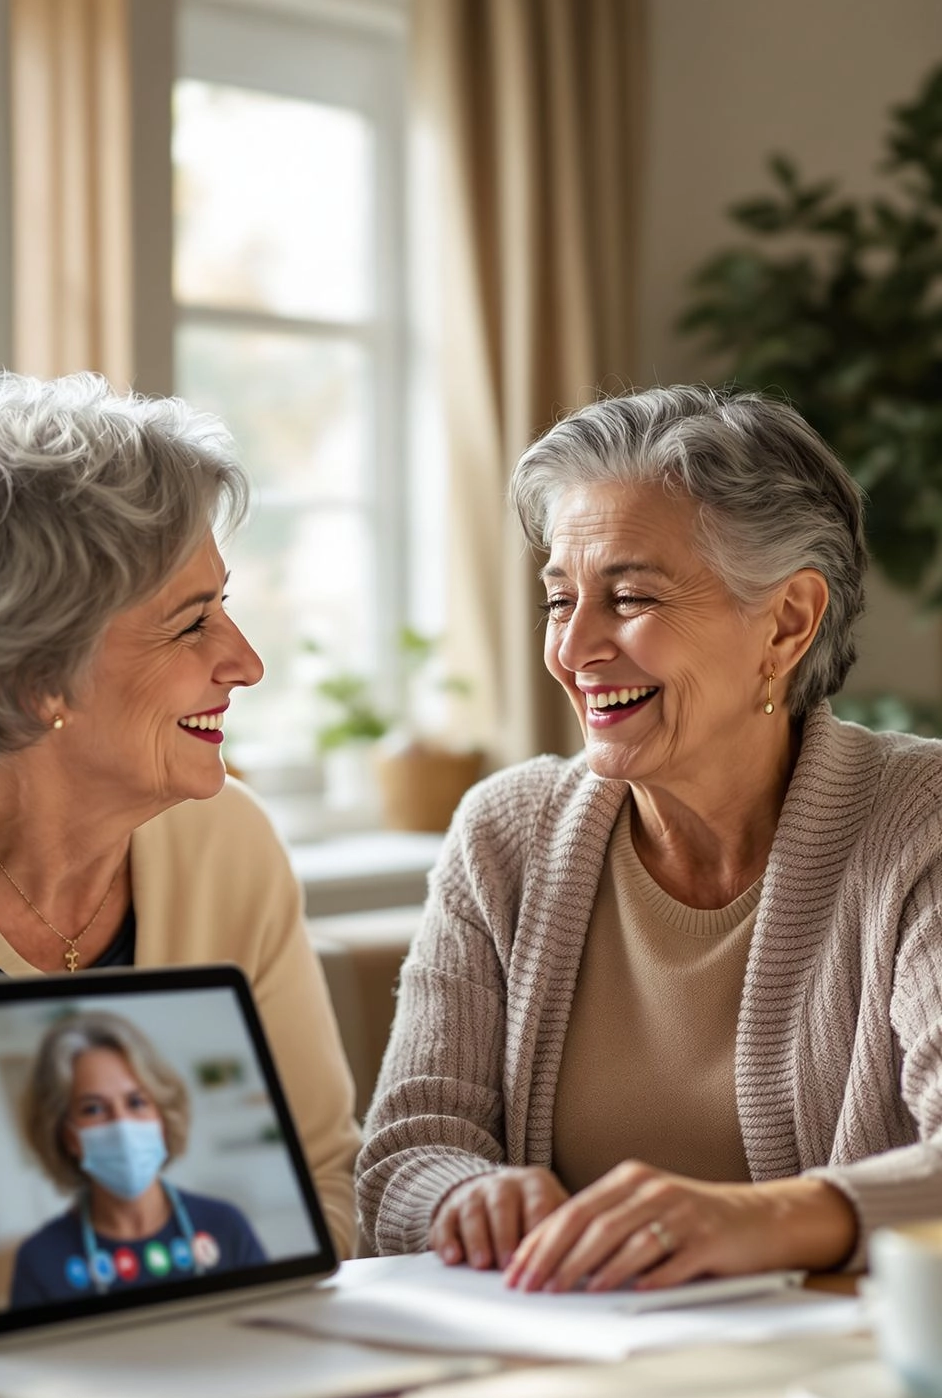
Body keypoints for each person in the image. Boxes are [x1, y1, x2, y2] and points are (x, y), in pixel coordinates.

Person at [357, 385, 942, 1289]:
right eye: (560, 601)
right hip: (570, 1375)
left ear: (787, 622)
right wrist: (466, 1197)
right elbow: (409, 1149)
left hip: (844, 1381)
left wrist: (768, 1219)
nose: (574, 648)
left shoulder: (922, 823)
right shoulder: (504, 835)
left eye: (628, 597)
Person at [0, 371, 358, 1303]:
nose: (245, 661)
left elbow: (323, 1194)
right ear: (36, 672)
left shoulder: (229, 842)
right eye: (191, 623)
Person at [10, 1012, 266, 1308]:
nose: (121, 1124)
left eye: (136, 1102)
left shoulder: (225, 1225)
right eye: (93, 1109)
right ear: (67, 1136)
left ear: (162, 1116)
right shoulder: (40, 1260)